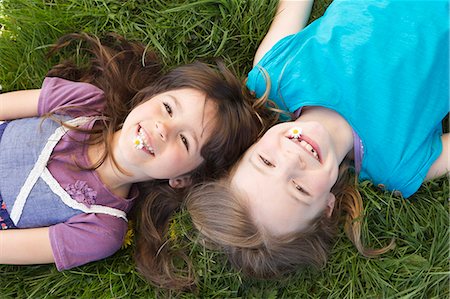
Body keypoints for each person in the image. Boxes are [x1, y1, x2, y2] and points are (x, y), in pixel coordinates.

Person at [185, 0, 449, 281]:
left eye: (265, 161)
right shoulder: (397, 166)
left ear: (251, 144)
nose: (291, 159)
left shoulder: (273, 78)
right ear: (327, 208)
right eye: (299, 188)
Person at [0, 33, 271, 272]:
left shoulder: (102, 229)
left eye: (186, 140)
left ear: (183, 178)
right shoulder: (84, 102)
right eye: (168, 108)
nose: (163, 128)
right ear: (146, 98)